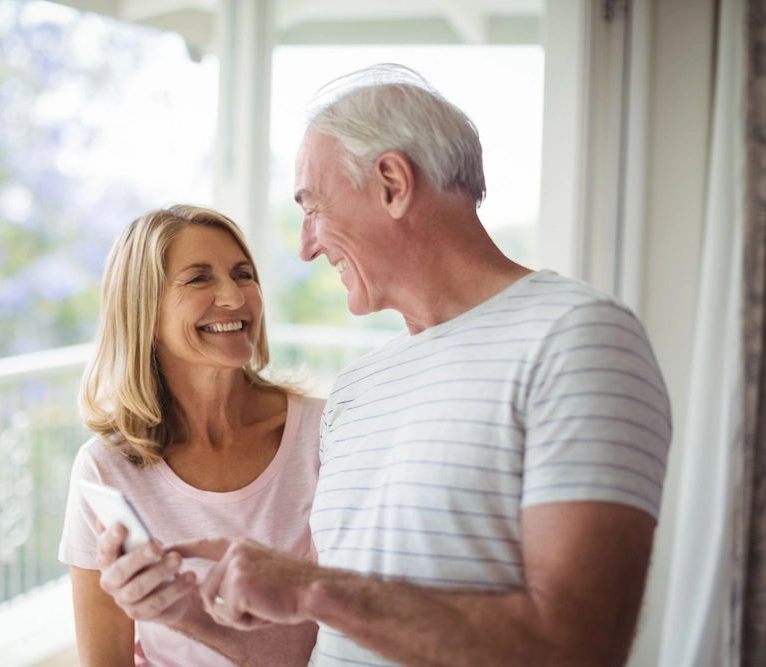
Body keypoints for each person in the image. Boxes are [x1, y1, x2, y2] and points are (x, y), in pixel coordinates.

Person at [98, 64, 672, 667]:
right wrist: (183, 611)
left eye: (313, 207)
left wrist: (309, 587)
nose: (305, 245)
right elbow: (318, 647)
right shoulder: (356, 392)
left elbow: (578, 646)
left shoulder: (575, 338)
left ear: (393, 183)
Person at [58, 205, 323, 666]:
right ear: (144, 311)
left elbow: (345, 638)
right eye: (199, 279)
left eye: (243, 274)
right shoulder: (106, 467)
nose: (234, 297)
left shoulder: (324, 434)